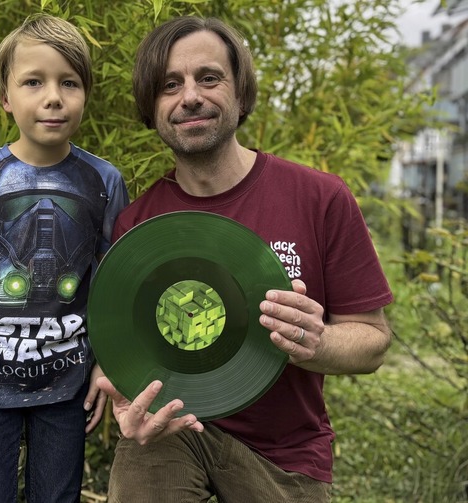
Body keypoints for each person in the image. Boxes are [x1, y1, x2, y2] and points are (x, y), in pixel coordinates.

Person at [96, 16, 392, 502]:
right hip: (176, 432)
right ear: (152, 107)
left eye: (208, 78)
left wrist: (317, 342)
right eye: (170, 85)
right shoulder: (137, 225)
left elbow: (374, 342)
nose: (190, 96)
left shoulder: (319, 197)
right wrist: (131, 407)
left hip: (286, 455)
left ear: (241, 92)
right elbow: (131, 359)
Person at [0, 14, 128, 503]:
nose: (53, 96)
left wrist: (107, 366)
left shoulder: (104, 181)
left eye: (69, 82)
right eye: (34, 81)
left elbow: (115, 280)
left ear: (86, 95)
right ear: (5, 97)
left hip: (67, 385)